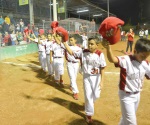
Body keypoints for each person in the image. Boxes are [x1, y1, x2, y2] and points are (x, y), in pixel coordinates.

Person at [102, 38, 150, 125]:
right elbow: (112, 59)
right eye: (143, 56)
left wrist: (144, 59)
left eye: (146, 56)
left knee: (125, 120)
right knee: (131, 123)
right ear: (135, 51)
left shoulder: (145, 63)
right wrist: (108, 48)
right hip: (126, 96)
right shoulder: (126, 60)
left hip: (137, 95)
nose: (144, 58)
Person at [62, 35, 106, 123]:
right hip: (86, 77)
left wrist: (102, 81)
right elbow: (72, 53)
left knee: (96, 95)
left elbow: (103, 68)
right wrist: (65, 43)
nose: (90, 46)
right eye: (89, 44)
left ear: (97, 45)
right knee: (88, 96)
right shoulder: (83, 52)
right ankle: (89, 115)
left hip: (96, 78)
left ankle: (90, 104)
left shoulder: (100, 54)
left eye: (92, 44)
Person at [65, 34, 82, 100]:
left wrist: (81, 65)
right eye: (70, 40)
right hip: (69, 64)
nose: (70, 41)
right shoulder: (68, 47)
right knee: (72, 77)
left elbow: (81, 57)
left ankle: (72, 85)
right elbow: (59, 42)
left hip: (76, 64)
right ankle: (75, 92)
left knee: (74, 77)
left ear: (75, 40)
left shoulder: (79, 48)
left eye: (72, 40)